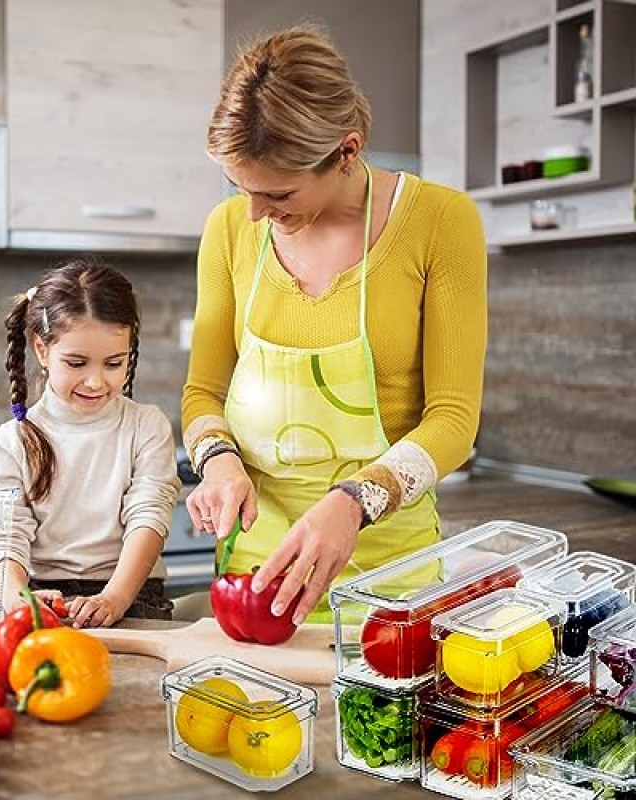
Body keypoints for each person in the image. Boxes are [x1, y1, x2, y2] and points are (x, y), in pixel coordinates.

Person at [181, 25, 487, 625]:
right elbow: (202, 394)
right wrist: (217, 459)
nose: (253, 213)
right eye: (239, 188)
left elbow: (453, 420)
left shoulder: (441, 222)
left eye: (278, 193)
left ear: (347, 151)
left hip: (388, 566)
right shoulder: (228, 228)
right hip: (255, 568)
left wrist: (353, 502)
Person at [0, 256, 180, 627]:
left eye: (113, 363)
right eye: (76, 363)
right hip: (44, 595)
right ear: (42, 350)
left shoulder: (146, 426)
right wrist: (16, 598)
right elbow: (4, 534)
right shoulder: (14, 441)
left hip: (133, 594)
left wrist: (116, 597)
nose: (95, 382)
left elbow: (149, 516)